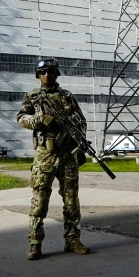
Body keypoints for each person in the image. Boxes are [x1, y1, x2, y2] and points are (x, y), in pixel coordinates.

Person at [16, 58, 90, 261]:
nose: (47, 75)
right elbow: (21, 118)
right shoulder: (32, 97)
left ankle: (72, 240)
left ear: (57, 74)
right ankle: (35, 243)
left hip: (67, 154)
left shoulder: (67, 96)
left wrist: (75, 135)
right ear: (38, 75)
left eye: (50, 71)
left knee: (71, 202)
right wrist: (39, 120)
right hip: (45, 155)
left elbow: (81, 121)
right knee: (39, 202)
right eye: (43, 72)